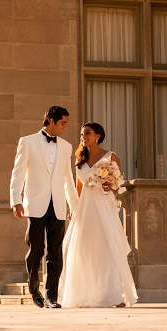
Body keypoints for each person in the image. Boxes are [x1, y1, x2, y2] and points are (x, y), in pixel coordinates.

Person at [59, 122, 138, 308]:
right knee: (83, 250)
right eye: (81, 134)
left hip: (103, 206)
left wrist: (110, 184)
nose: (83, 137)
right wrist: (74, 209)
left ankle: (113, 295)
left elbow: (118, 184)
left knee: (106, 248)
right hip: (85, 209)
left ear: (98, 136)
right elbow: (78, 188)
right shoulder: (79, 160)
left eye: (87, 133)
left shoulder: (111, 157)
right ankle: (83, 294)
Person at [10, 106, 80, 309]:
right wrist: (16, 200)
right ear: (51, 120)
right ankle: (34, 289)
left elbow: (68, 179)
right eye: (63, 123)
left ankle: (52, 297)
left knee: (55, 253)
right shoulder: (27, 142)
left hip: (57, 205)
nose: (65, 127)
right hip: (35, 204)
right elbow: (18, 173)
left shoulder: (66, 147)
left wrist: (73, 206)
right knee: (36, 250)